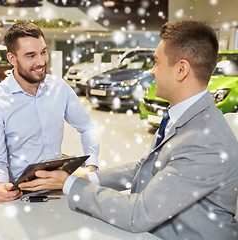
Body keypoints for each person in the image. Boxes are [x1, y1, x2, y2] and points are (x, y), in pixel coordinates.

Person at [19, 20, 238, 239]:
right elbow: (145, 168)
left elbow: (138, 213)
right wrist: (88, 177)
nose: (152, 71)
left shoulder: (206, 141)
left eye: (156, 62)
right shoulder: (182, 116)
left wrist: (69, 184)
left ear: (181, 69)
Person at [0, 21, 99, 204]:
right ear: (12, 59)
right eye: (31, 56)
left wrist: (91, 168)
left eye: (43, 52)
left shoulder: (59, 88)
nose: (41, 62)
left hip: (58, 190)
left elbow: (87, 127)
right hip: (20, 196)